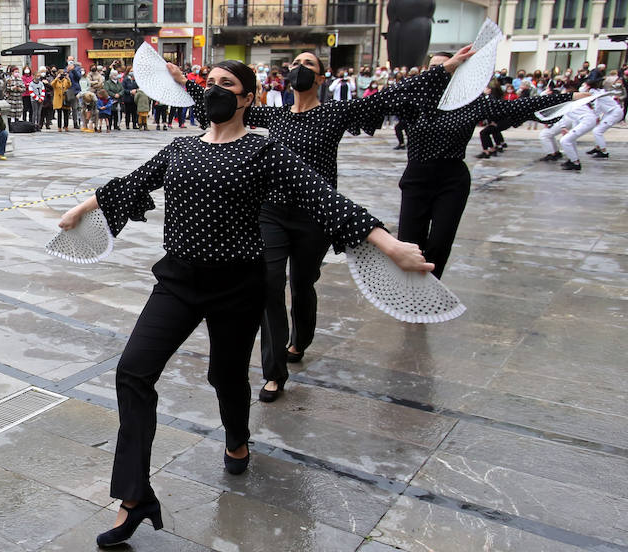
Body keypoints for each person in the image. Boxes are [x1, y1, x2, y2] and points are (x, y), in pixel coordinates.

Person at [56, 61, 432, 548]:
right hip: (178, 282)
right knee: (132, 371)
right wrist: (80, 210)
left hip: (238, 284)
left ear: (249, 98)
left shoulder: (264, 148)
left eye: (227, 85)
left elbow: (325, 199)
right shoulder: (181, 147)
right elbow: (130, 183)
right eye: (209, 84)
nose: (215, 91)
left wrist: (390, 244)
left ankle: (236, 437)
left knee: (226, 375)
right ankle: (135, 497)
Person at [169, 45, 472, 402]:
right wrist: (184, 82)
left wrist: (444, 70)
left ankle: (300, 339)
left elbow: (393, 96)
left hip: (315, 216)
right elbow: (226, 101)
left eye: (308, 64)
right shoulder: (275, 116)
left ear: (321, 76)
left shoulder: (335, 113)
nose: (299, 68)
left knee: (302, 283)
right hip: (271, 212)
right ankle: (274, 371)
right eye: (295, 63)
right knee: (269, 285)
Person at [398, 54, 572, 277]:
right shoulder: (411, 100)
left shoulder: (470, 102)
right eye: (434, 68)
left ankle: (429, 291)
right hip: (417, 177)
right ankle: (407, 291)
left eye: (448, 67)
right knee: (408, 244)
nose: (441, 71)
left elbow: (518, 107)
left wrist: (569, 97)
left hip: (452, 179)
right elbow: (379, 100)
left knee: (440, 243)